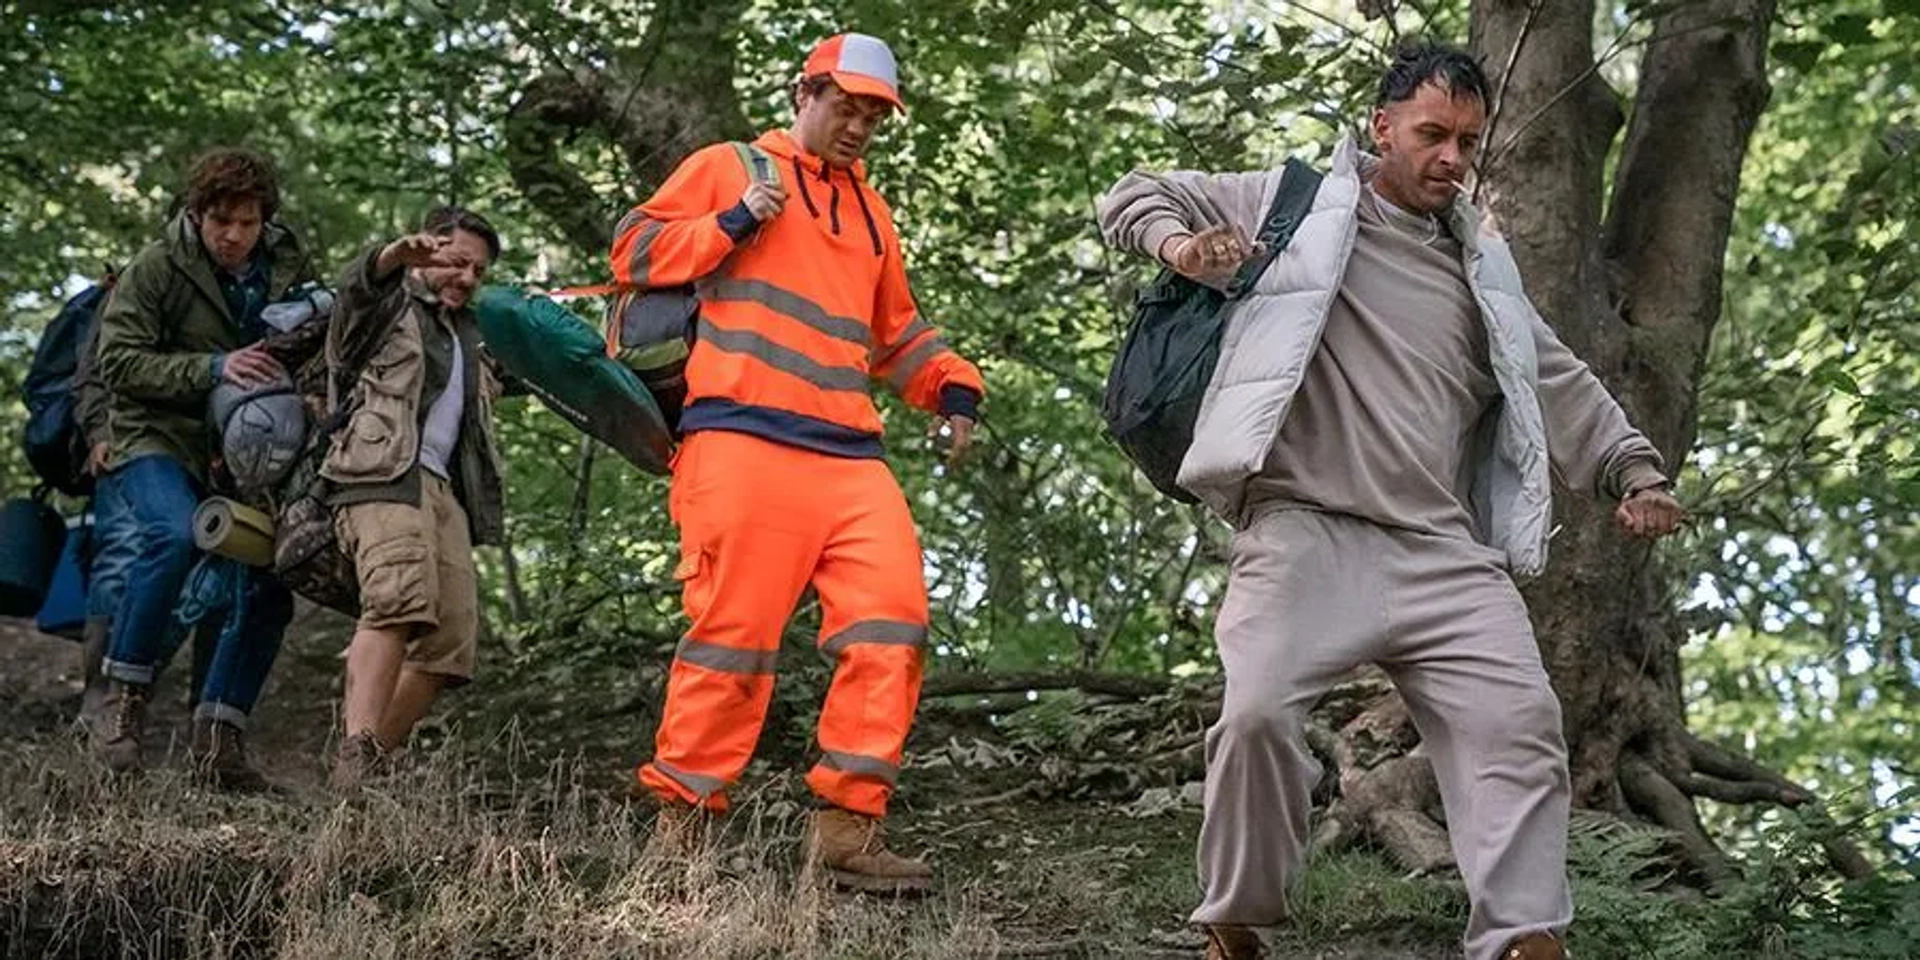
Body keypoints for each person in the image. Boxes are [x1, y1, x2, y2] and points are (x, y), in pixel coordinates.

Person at [1097, 41, 1687, 960]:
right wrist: (1183, 245)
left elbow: (1556, 379)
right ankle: (1240, 919)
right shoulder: (1295, 206)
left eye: (1467, 141)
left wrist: (1633, 469)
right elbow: (1132, 191)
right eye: (1432, 135)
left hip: (1443, 553)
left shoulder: (1482, 272)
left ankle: (1524, 935)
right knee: (1253, 716)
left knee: (1521, 726)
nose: (1451, 157)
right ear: (1381, 126)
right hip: (1302, 530)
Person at [608, 32, 985, 893]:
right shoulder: (731, 167)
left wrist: (952, 386)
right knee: (732, 640)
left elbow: (899, 335)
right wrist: (732, 222)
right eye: (846, 105)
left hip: (849, 458)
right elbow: (631, 252)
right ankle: (683, 828)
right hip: (738, 442)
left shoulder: (874, 214)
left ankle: (847, 831)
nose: (858, 125)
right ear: (804, 94)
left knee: (893, 625)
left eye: (873, 114)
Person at [89, 148, 315, 791]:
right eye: (221, 221)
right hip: (156, 436)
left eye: (246, 223)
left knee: (268, 582)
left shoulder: (288, 263)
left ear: (264, 219)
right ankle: (123, 703)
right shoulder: (156, 268)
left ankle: (219, 746)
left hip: (251, 456)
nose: (233, 236)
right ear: (196, 215)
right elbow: (120, 364)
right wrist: (215, 367)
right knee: (175, 534)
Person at [323, 207, 507, 790]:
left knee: (452, 643)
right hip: (381, 475)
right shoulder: (388, 306)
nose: (467, 278)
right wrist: (392, 259)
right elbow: (358, 291)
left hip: (443, 490)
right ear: (427, 253)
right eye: (456, 262)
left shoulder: (471, 335)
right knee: (396, 603)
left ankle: (371, 762)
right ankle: (355, 754)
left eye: (478, 271)